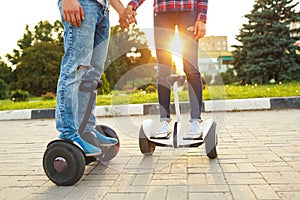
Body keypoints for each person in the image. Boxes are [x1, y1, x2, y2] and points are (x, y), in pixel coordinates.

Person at [56, 0, 136, 157]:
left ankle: (86, 129)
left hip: (102, 10)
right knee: (75, 68)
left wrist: (121, 11)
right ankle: (68, 134)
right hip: (82, 4)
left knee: (92, 74)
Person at [127, 0, 208, 138]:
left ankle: (195, 121)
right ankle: (164, 120)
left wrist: (202, 18)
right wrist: (132, 4)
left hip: (188, 9)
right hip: (163, 11)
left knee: (191, 68)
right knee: (163, 69)